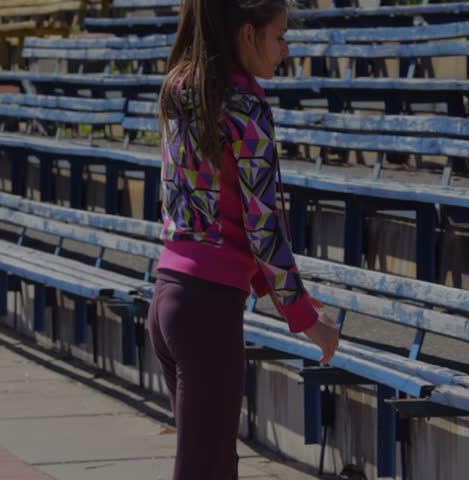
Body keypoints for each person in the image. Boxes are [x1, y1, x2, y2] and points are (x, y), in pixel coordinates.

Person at [148, 1, 340, 478]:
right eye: (278, 37)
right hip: (207, 313)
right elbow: (264, 225)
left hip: (169, 297)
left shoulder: (179, 86)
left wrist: (285, 294)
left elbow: (209, 210)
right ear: (249, 35)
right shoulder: (245, 106)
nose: (285, 49)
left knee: (214, 466)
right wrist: (305, 319)